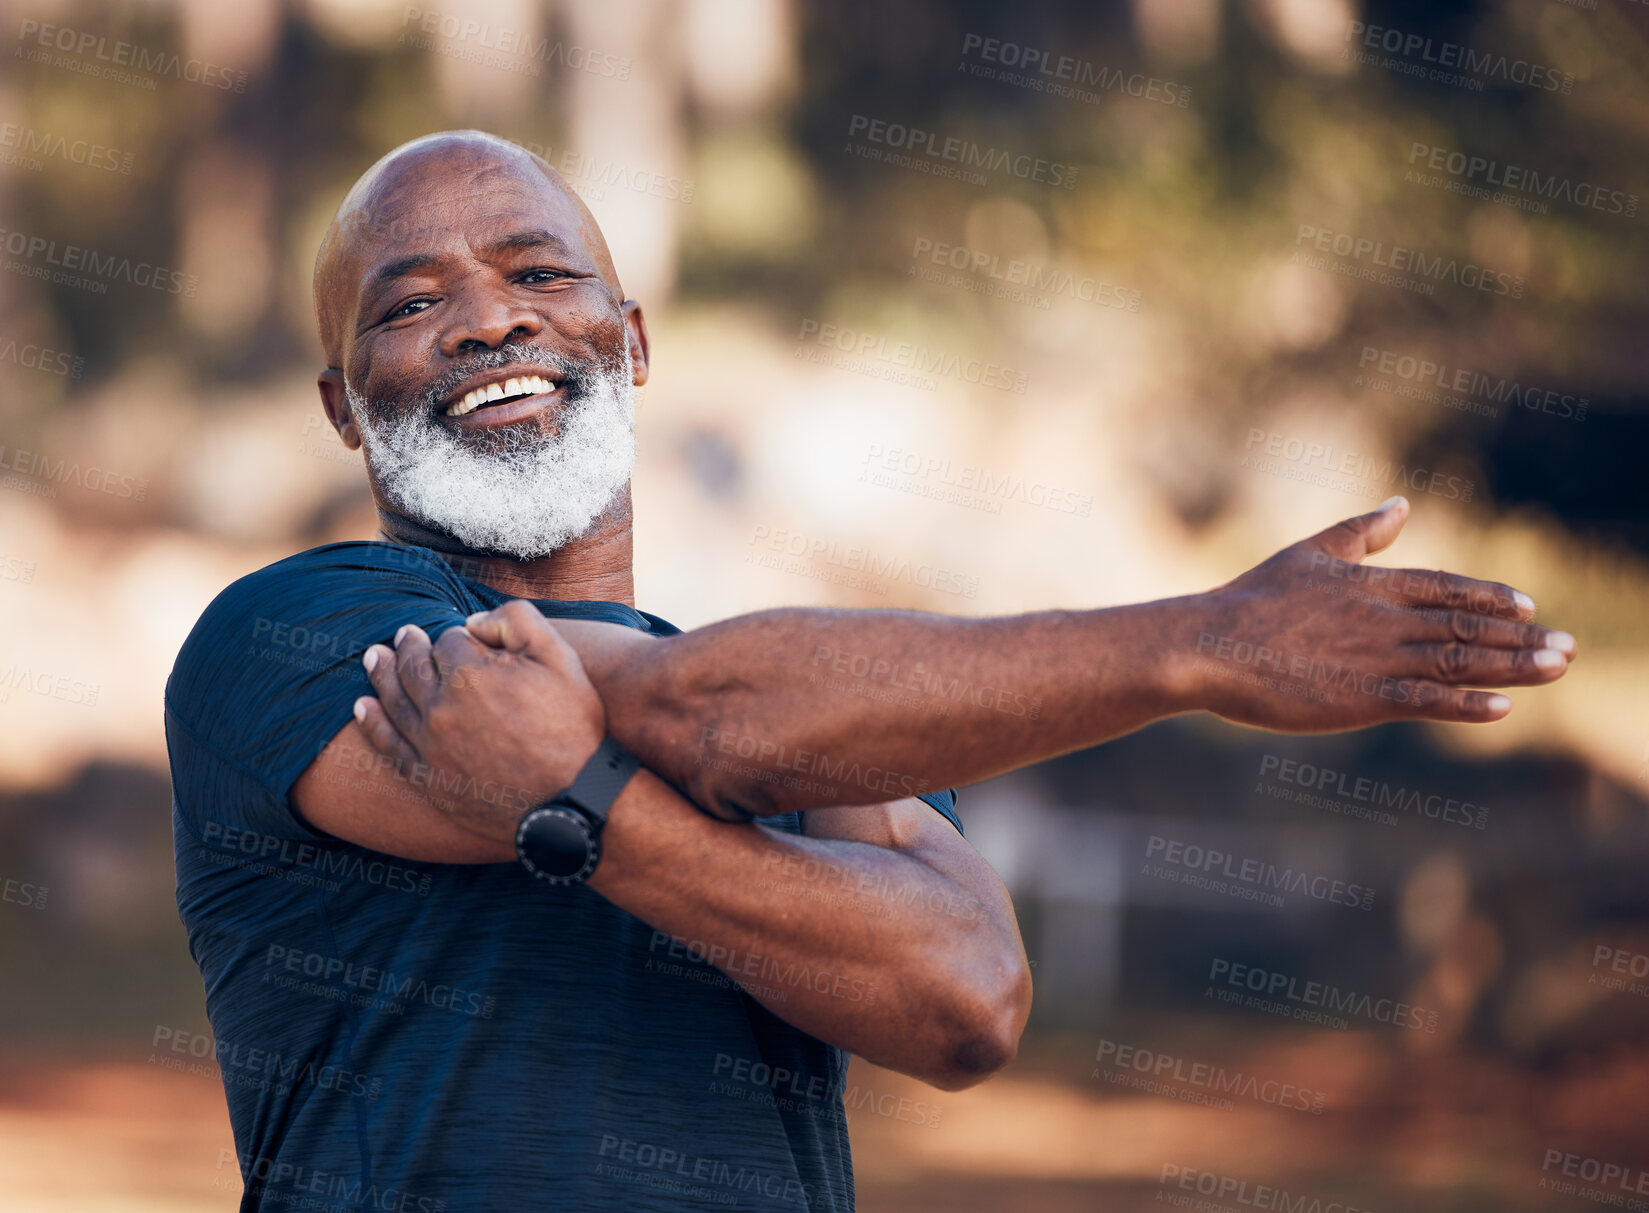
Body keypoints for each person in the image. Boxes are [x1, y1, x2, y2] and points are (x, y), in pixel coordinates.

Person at [166, 130, 1573, 1213]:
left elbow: (964, 1001)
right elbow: (706, 719)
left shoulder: (837, 701)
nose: (491, 320)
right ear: (345, 404)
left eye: (539, 273)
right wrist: (1199, 640)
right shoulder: (295, 630)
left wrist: (580, 805)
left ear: (633, 341)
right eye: (412, 303)